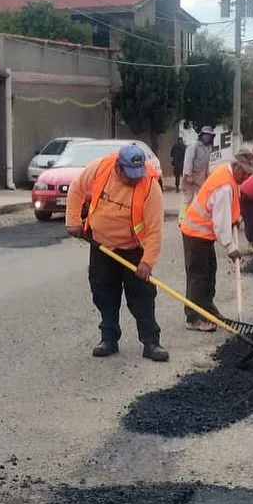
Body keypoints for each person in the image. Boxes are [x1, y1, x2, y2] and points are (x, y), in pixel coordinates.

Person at [66, 144, 168, 362]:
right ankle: (109, 338)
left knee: (142, 297)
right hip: (102, 245)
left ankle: (151, 342)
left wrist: (147, 262)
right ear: (118, 168)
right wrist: (73, 220)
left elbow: (155, 229)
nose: (134, 180)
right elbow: (76, 189)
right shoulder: (100, 169)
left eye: (137, 175)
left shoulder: (150, 187)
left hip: (133, 249)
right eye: (129, 176)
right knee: (103, 293)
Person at [179, 152, 253, 331]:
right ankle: (194, 317)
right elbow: (220, 222)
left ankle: (207, 309)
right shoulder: (224, 187)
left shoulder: (228, 175)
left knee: (209, 272)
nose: (246, 177)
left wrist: (234, 219)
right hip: (195, 233)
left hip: (203, 234)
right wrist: (231, 247)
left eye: (249, 174)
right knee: (199, 276)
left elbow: (226, 213)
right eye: (245, 173)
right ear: (236, 166)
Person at [181, 126, 214, 206]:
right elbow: (188, 160)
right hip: (191, 177)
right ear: (201, 135)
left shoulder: (209, 147)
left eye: (209, 136)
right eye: (205, 135)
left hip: (201, 178)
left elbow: (206, 163)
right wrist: (188, 175)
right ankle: (183, 217)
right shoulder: (194, 145)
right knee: (188, 200)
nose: (207, 137)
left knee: (203, 199)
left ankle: (197, 217)